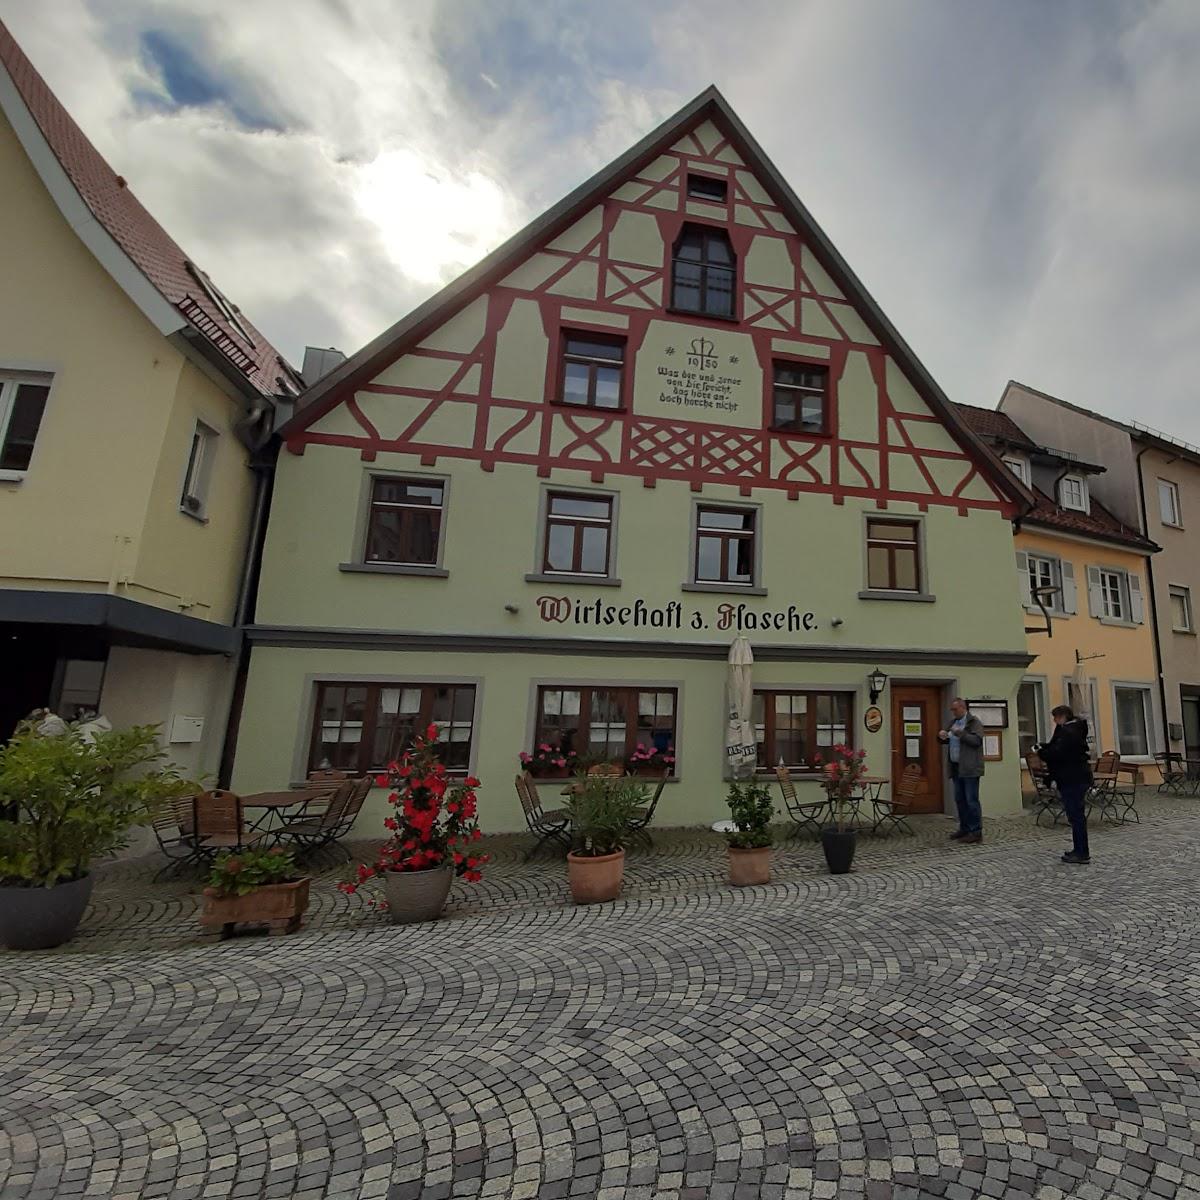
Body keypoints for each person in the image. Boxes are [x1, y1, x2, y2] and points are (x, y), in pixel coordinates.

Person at [1035, 705, 1092, 864]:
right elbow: (1056, 747)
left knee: (1076, 816)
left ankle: (1081, 852)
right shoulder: (1071, 729)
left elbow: (1057, 754)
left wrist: (1041, 752)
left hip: (1072, 778)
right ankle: (1079, 849)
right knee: (1075, 816)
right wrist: (1045, 746)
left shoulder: (1068, 732)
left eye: (1056, 717)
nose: (1054, 721)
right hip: (1074, 777)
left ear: (1063, 716)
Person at [938, 697, 985, 843]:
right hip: (956, 767)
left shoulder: (974, 722)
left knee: (971, 800)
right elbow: (947, 739)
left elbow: (976, 741)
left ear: (963, 708)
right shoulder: (953, 722)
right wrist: (941, 736)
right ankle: (964, 829)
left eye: (955, 709)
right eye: (951, 709)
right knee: (960, 800)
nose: (953, 712)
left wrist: (960, 733)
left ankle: (975, 832)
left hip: (970, 767)